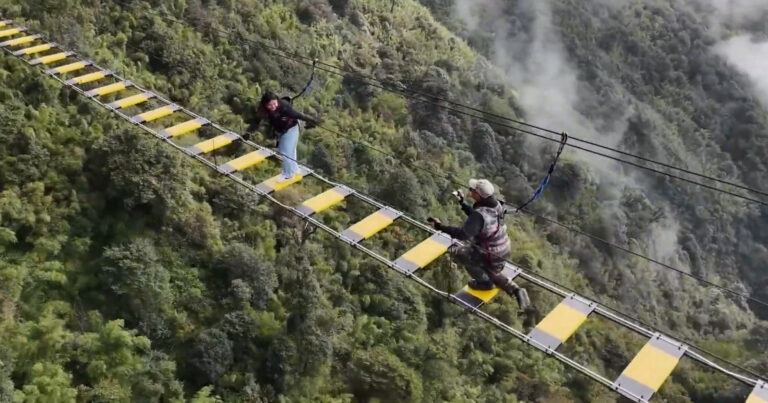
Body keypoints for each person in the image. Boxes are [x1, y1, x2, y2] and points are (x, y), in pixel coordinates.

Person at [428, 179, 532, 312]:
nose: (470, 192)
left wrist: (440, 226)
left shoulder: (479, 214)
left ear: (478, 195)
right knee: (489, 269)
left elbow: (463, 234)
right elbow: (480, 220)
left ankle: (485, 283)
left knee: (460, 253)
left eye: (472, 190)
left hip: (490, 253)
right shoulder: (496, 205)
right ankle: (516, 290)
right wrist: (462, 204)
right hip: (502, 249)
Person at [244, 91, 321, 181]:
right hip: (281, 130)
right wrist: (248, 133)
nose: (273, 107)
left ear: (277, 100)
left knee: (285, 151)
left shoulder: (284, 107)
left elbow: (298, 115)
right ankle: (295, 169)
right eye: (269, 105)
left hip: (292, 128)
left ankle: (288, 174)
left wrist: (312, 120)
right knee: (290, 150)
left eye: (274, 103)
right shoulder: (263, 110)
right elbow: (256, 122)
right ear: (265, 105)